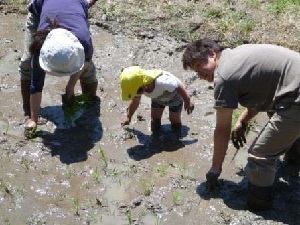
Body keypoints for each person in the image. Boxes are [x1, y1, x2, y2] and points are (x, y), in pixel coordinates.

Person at [182, 38, 300, 211]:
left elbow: (222, 130)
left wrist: (215, 169)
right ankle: (295, 159)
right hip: (293, 88)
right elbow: (264, 91)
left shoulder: (224, 77)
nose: (199, 74)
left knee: (260, 155)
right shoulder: (237, 55)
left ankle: (259, 206)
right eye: (195, 71)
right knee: (274, 110)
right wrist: (243, 121)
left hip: (296, 97)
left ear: (212, 54)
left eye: (199, 66)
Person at [18, 0, 98, 138]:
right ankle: (28, 110)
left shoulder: (83, 41)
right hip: (41, 11)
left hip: (76, 11)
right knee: (27, 63)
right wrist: (33, 119)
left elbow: (84, 61)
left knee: (88, 70)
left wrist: (70, 87)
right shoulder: (40, 46)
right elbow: (36, 84)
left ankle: (90, 106)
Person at [119, 66, 194, 136]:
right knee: (155, 117)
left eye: (138, 92)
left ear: (144, 86)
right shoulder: (138, 87)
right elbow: (135, 102)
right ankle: (156, 135)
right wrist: (128, 117)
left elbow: (179, 86)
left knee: (174, 119)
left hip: (174, 97)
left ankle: (177, 135)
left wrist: (187, 101)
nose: (137, 94)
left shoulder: (163, 82)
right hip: (157, 99)